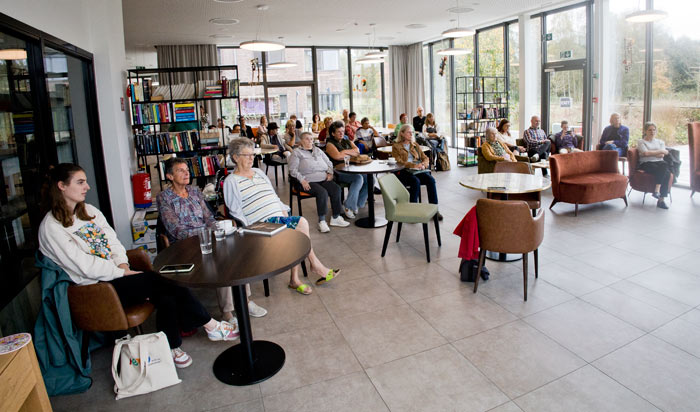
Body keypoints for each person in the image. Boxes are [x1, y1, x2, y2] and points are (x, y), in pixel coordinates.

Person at [39, 164, 239, 369]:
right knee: (164, 282)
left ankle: (172, 346)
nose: (88, 187)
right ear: (61, 186)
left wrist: (123, 264)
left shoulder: (89, 211)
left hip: (117, 275)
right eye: (80, 182)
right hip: (95, 289)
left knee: (166, 291)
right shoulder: (51, 227)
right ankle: (210, 325)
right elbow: (84, 266)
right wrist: (121, 272)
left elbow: (112, 241)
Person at [224, 138, 340, 294]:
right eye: (247, 155)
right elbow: (235, 211)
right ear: (236, 157)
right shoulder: (231, 181)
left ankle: (297, 278)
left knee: (297, 226)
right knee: (301, 223)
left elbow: (273, 195)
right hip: (259, 225)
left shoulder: (258, 173)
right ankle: (313, 267)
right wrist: (250, 229)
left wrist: (283, 210)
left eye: (253, 154)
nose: (252, 158)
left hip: (276, 219)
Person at [157, 158, 267, 319]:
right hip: (185, 245)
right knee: (223, 259)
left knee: (236, 252)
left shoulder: (194, 191)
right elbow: (175, 230)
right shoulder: (164, 197)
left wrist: (219, 228)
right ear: (169, 176)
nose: (187, 172)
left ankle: (245, 300)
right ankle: (228, 312)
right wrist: (206, 232)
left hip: (208, 237)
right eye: (180, 170)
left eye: (187, 169)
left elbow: (209, 217)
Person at [289, 132, 350, 232]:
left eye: (311, 139)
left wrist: (330, 173)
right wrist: (302, 180)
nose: (310, 141)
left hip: (323, 178)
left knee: (336, 189)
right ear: (301, 141)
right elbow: (293, 170)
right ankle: (322, 221)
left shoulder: (318, 150)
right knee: (322, 192)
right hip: (307, 181)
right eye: (307, 139)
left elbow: (329, 163)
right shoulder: (296, 153)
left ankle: (335, 217)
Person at [392, 125, 441, 220]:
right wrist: (413, 165)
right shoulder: (396, 146)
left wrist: (424, 164)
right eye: (408, 132)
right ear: (402, 133)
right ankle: (412, 211)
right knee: (415, 181)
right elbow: (398, 161)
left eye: (412, 132)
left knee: (431, 180)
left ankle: (435, 210)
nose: (411, 134)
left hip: (417, 170)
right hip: (404, 171)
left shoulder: (414, 144)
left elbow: (425, 157)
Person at [324, 120, 368, 218]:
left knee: (370, 179)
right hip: (337, 171)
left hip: (351, 168)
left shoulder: (346, 140)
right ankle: (348, 206)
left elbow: (357, 151)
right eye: (339, 132)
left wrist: (344, 151)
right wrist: (347, 152)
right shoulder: (330, 144)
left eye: (343, 131)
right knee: (358, 178)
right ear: (333, 133)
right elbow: (338, 156)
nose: (341, 134)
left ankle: (356, 204)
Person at [637, 122, 671, 209]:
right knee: (665, 172)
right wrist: (660, 151)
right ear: (645, 131)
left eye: (654, 130)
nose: (652, 132)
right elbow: (645, 153)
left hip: (659, 163)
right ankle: (660, 199)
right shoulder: (641, 142)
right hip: (646, 163)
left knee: (664, 167)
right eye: (650, 130)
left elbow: (662, 156)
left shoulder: (660, 142)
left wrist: (652, 153)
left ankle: (658, 194)